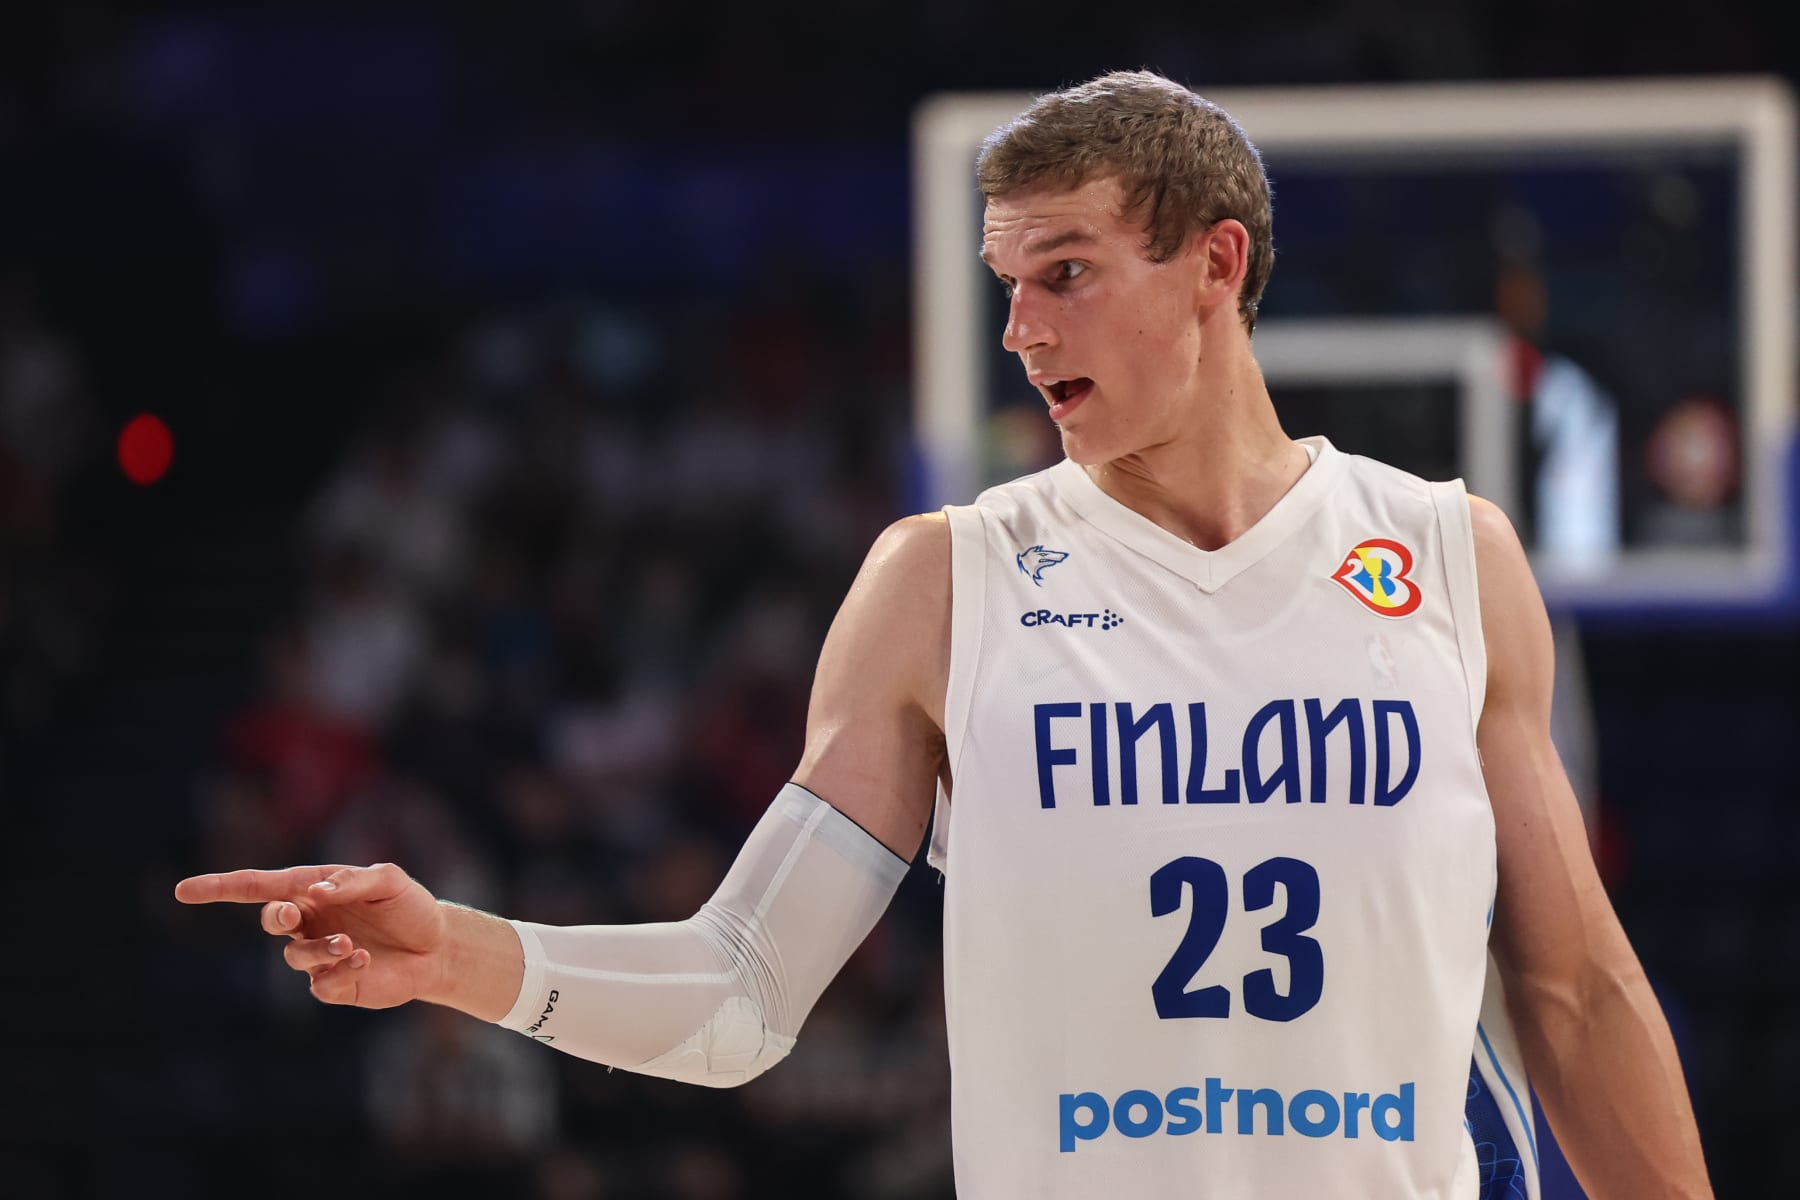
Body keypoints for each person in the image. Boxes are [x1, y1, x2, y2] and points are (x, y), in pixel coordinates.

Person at [176, 70, 1712, 1197]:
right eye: (1007, 284)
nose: (1020, 332)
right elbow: (740, 992)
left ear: (1217, 268)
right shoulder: (949, 581)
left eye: (1067, 275)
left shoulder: (1446, 552)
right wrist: (456, 954)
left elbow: (1578, 992)